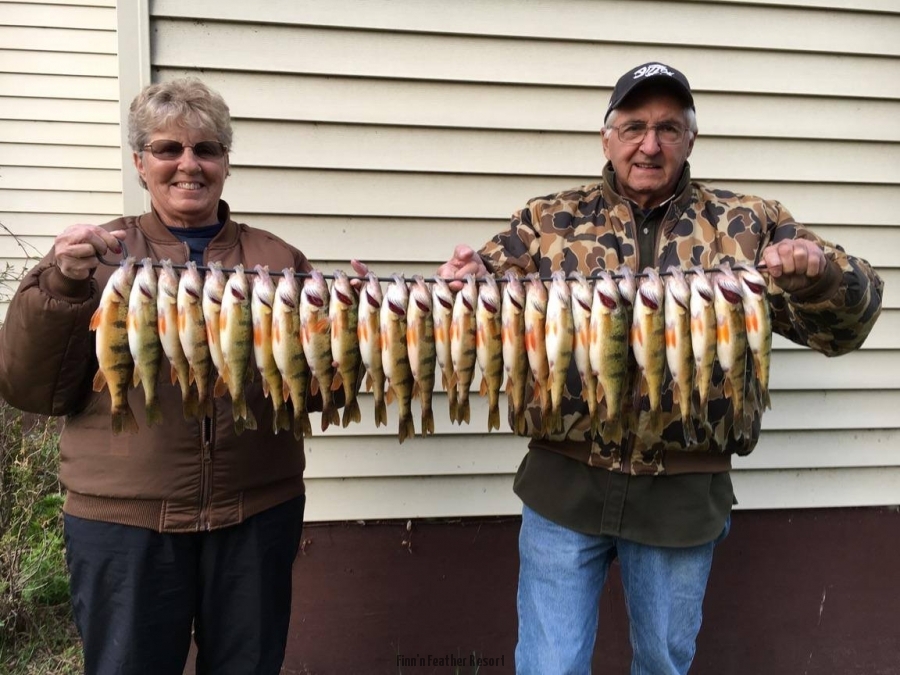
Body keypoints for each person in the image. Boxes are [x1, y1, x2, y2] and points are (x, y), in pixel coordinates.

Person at [437, 62, 884, 674]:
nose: (649, 145)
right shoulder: (547, 223)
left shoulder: (748, 224)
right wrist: (467, 283)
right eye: (634, 128)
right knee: (548, 665)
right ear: (607, 138)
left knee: (662, 664)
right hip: (563, 490)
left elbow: (851, 322)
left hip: (681, 500)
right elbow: (476, 305)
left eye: (668, 129)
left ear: (690, 140)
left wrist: (820, 274)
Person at [0, 78, 322, 674]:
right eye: (168, 148)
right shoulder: (93, 257)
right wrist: (60, 287)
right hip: (123, 522)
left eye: (207, 149)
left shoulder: (278, 261)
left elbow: (320, 391)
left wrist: (356, 325)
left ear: (226, 163)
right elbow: (29, 387)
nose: (189, 164)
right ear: (140, 163)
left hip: (256, 514)